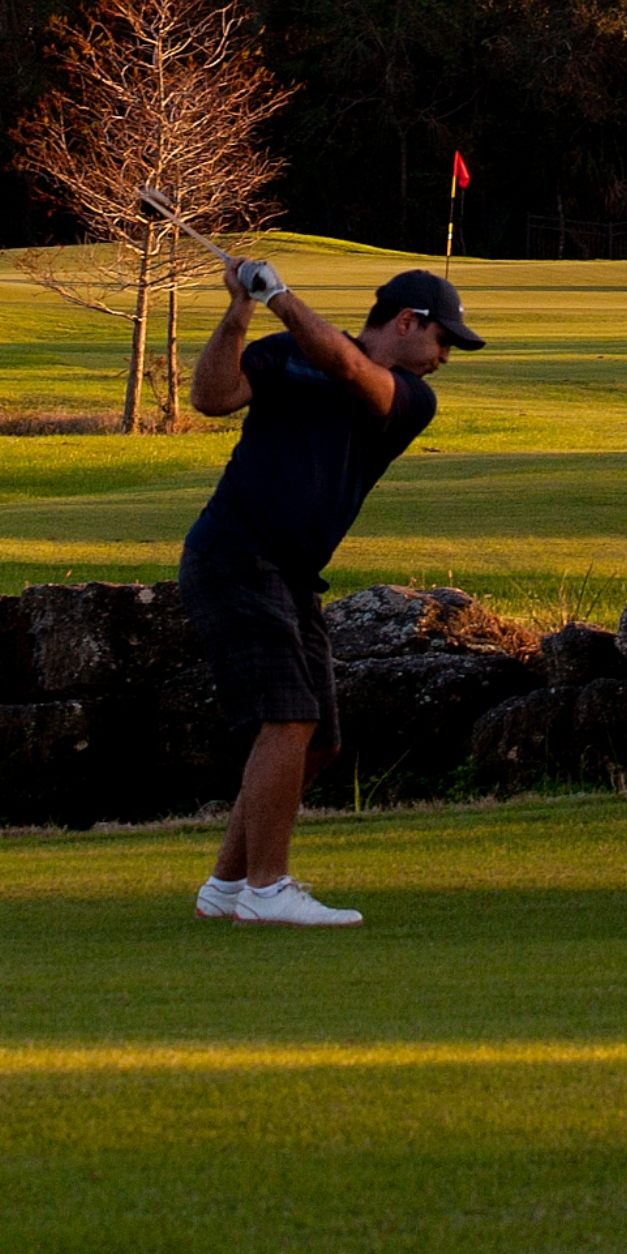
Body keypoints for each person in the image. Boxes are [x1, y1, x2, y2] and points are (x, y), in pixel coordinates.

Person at [177, 253, 474, 927]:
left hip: (291, 573)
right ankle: (267, 889)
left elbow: (347, 368)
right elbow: (211, 397)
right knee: (287, 719)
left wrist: (279, 295)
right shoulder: (283, 354)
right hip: (234, 553)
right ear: (407, 322)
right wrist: (240, 311)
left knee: (318, 742)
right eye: (444, 340)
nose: (446, 357)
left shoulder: (409, 397)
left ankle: (227, 885)